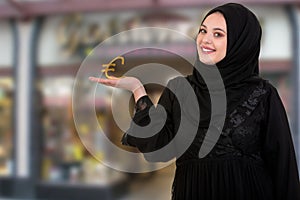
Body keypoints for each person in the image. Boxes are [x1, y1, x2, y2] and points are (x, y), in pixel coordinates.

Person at [89, 3, 300, 200]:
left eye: (218, 34)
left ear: (240, 43)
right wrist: (138, 90)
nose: (205, 40)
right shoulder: (179, 89)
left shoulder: (263, 95)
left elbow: (283, 166)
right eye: (203, 30)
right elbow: (158, 149)